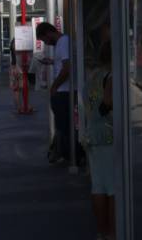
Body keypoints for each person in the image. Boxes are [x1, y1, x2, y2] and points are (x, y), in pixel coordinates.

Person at [83, 37, 114, 240]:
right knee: (112, 188)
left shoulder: (93, 75)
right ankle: (113, 232)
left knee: (98, 186)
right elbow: (108, 101)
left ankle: (102, 232)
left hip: (92, 134)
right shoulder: (110, 76)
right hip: (107, 135)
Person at [36, 22, 80, 164]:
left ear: (48, 33)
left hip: (64, 91)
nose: (46, 43)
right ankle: (62, 151)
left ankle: (67, 153)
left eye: (44, 40)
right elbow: (63, 64)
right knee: (62, 124)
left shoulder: (64, 42)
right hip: (64, 91)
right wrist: (52, 62)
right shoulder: (62, 43)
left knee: (63, 125)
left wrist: (54, 86)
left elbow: (67, 68)